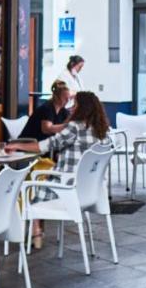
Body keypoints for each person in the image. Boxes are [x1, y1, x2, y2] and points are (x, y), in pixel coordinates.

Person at [17, 91, 110, 249]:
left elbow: (46, 145)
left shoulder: (75, 127)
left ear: (84, 108)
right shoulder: (102, 132)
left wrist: (17, 145)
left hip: (67, 188)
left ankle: (36, 232)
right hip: (91, 191)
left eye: (76, 105)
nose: (72, 108)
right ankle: (37, 232)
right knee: (43, 182)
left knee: (33, 187)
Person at [8, 80, 71, 147]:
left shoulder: (63, 110)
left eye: (68, 98)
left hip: (45, 146)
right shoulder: (47, 108)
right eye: (65, 98)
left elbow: (69, 124)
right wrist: (66, 126)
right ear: (56, 97)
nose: (68, 100)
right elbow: (46, 129)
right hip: (29, 145)